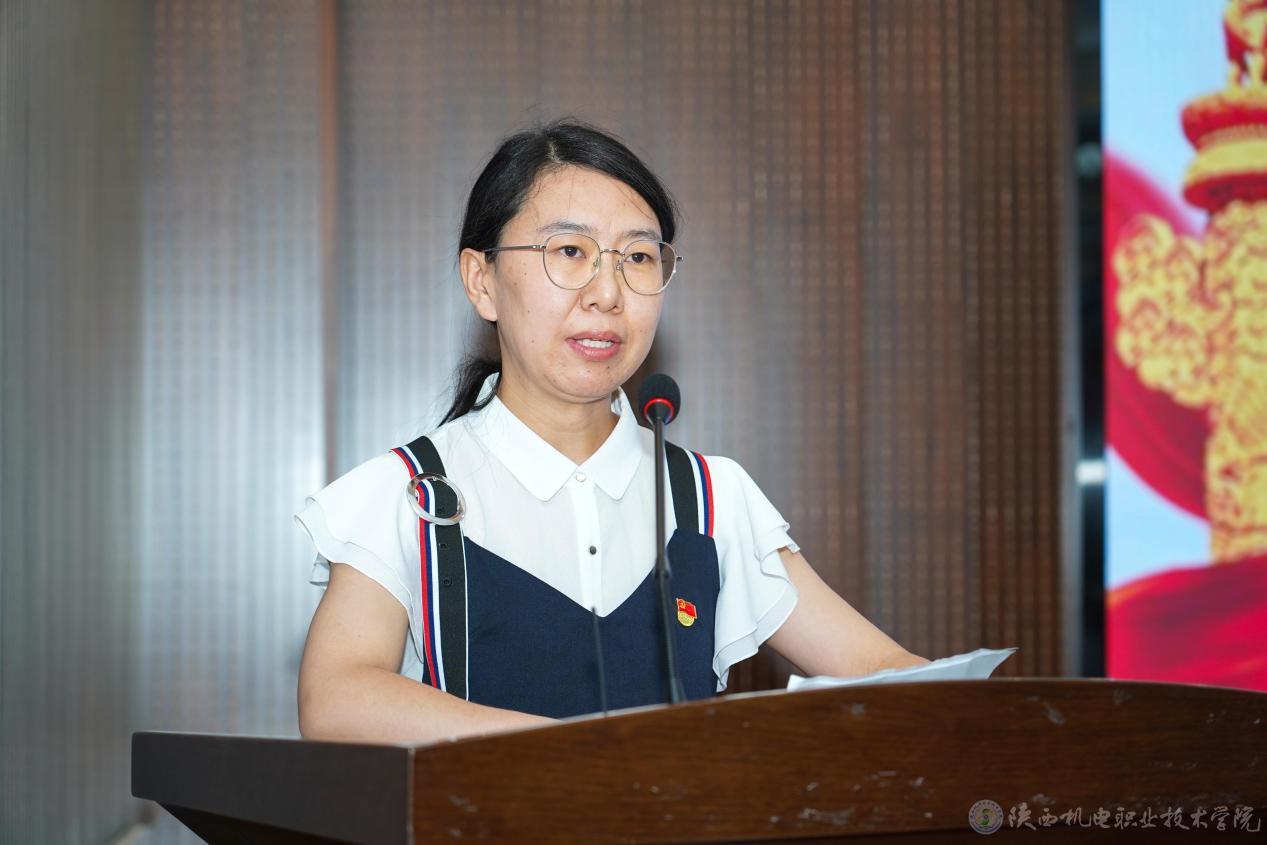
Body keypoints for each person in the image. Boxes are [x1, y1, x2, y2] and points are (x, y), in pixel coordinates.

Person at [294, 119, 928, 745]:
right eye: (570, 251)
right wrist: (579, 759)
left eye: (638, 258)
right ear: (481, 281)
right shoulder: (413, 496)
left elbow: (881, 670)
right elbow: (337, 696)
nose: (607, 293)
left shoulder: (708, 498)